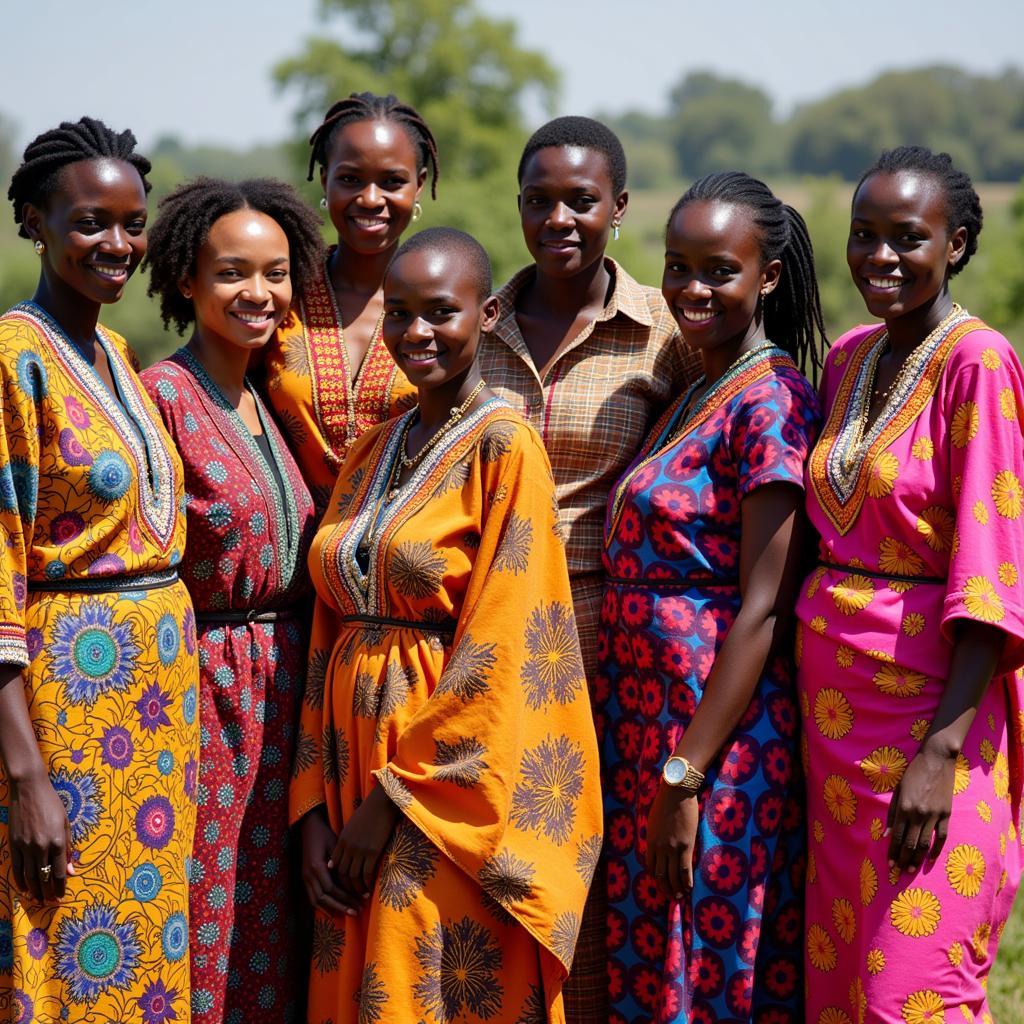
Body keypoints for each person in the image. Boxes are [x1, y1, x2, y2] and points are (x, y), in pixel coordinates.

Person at [290, 227, 602, 1023]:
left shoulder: (505, 446)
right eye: (399, 313)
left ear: (487, 313)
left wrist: (390, 799)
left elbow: (502, 648)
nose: (415, 333)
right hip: (345, 771)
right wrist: (314, 810)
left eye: (440, 313)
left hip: (437, 791)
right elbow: (330, 626)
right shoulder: (375, 448)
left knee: (417, 982)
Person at [477, 116, 702, 1017]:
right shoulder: (473, 324)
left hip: (612, 640)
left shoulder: (664, 337)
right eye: (540, 200)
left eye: (582, 201)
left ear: (619, 207)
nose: (559, 218)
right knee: (498, 853)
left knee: (599, 858)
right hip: (486, 639)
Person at [798, 146, 1024, 1024]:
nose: (880, 257)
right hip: (834, 729)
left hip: (933, 722)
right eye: (864, 236)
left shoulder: (979, 363)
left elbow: (993, 564)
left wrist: (941, 756)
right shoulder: (848, 359)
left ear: (957, 245)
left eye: (908, 238)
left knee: (913, 996)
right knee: (842, 985)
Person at [600, 172, 827, 1024]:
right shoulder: (697, 386)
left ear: (765, 276)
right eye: (677, 266)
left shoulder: (771, 404)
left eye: (717, 270)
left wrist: (684, 778)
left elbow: (762, 607)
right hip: (650, 725)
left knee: (706, 968)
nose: (692, 288)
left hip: (716, 740)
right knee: (655, 961)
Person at [0, 118, 197, 1021]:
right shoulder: (14, 358)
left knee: (143, 936)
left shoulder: (116, 354)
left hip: (154, 711)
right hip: (68, 712)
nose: (116, 245)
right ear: (35, 222)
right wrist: (27, 777)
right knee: (63, 928)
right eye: (88, 222)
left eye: (131, 222)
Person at [140, 176, 322, 1024]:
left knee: (278, 916)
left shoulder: (272, 395)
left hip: (286, 695)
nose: (259, 293)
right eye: (232, 273)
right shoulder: (161, 400)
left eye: (276, 273)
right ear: (186, 279)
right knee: (207, 910)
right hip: (201, 692)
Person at [259, 91, 439, 518]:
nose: (371, 198)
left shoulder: (443, 306)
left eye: (392, 181)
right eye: (351, 179)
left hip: (403, 562)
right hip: (291, 567)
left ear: (420, 184)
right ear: (324, 180)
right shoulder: (282, 294)